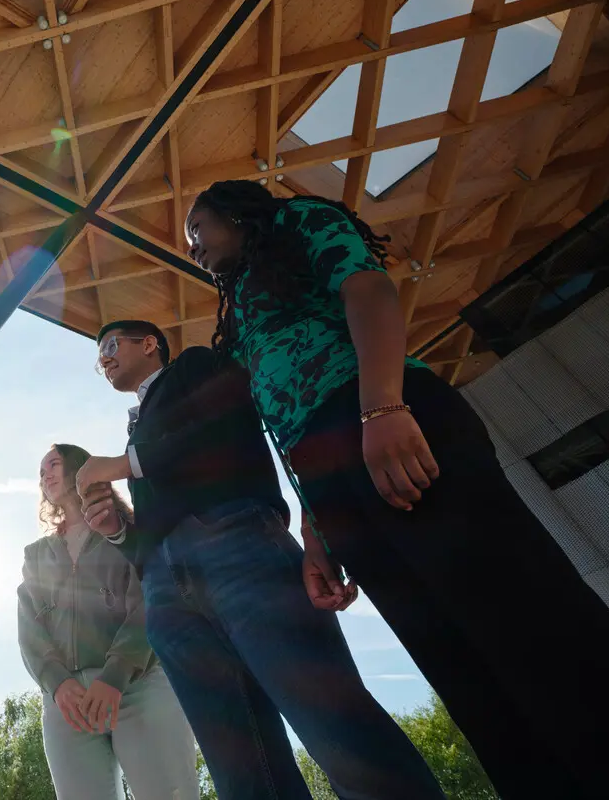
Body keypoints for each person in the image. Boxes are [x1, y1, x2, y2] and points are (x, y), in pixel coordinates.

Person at [181, 180, 609, 800]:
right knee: (456, 665)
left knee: (527, 620)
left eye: (199, 228)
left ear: (239, 212)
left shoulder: (299, 221)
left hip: (386, 418)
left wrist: (382, 407)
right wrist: (317, 527)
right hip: (331, 482)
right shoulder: (244, 302)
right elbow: (283, 419)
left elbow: (368, 289)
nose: (192, 246)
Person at [76, 320, 443, 800]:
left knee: (333, 725)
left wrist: (124, 464)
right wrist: (118, 531)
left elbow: (221, 427)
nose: (103, 358)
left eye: (110, 345)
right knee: (240, 766)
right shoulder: (138, 423)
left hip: (238, 548)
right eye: (98, 355)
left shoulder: (197, 366)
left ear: (149, 344)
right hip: (165, 590)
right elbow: (156, 527)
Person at [18, 443, 199, 800]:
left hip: (138, 685)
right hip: (67, 704)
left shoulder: (127, 530)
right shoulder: (35, 555)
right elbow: (29, 628)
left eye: (53, 464)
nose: (45, 475)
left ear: (81, 468)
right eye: (41, 472)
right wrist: (57, 684)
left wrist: (114, 675)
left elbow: (150, 600)